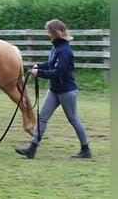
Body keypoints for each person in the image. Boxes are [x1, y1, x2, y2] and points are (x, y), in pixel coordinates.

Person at [15, 19, 91, 159]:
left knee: (73, 119)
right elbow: (51, 63)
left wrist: (40, 74)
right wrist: (39, 65)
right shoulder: (56, 47)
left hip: (67, 91)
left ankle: (85, 149)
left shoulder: (65, 50)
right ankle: (32, 149)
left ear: (55, 32)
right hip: (54, 90)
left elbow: (58, 72)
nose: (48, 34)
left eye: (49, 31)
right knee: (42, 117)